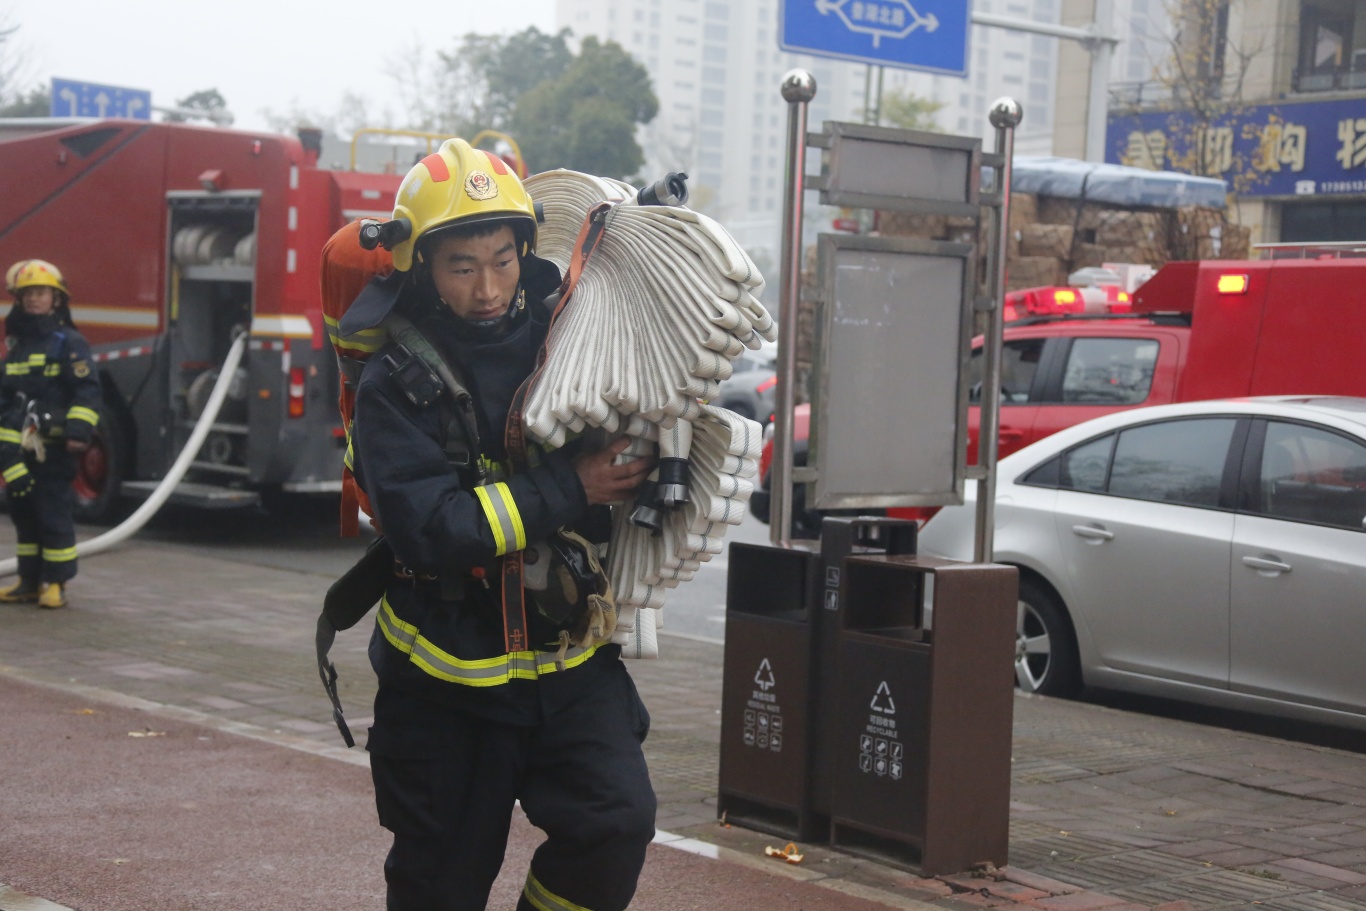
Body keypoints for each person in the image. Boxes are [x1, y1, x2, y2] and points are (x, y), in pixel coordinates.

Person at [339, 139, 658, 911]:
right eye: (462, 266)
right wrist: (573, 483)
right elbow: (431, 528)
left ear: (525, 250)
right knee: (440, 884)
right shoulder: (392, 383)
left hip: (567, 664)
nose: (488, 288)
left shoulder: (568, 338)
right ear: (422, 266)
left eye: (503, 260)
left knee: (617, 821)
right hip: (450, 684)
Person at [0, 260, 101, 609]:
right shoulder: (18, 345)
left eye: (40, 293)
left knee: (53, 515)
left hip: (54, 448)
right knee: (24, 517)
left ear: (56, 299)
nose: (33, 300)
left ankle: (55, 583)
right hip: (21, 449)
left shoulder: (68, 343)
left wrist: (78, 431)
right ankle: (28, 581)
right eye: (27, 294)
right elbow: (6, 397)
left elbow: (87, 391)